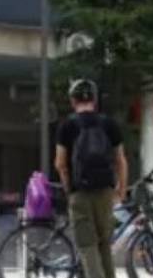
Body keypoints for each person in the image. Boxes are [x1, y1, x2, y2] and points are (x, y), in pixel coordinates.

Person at [54, 79, 127, 278]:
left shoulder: (67, 125)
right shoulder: (109, 124)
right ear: (94, 100)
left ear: (72, 100)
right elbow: (121, 160)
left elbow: (60, 163)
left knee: (88, 246)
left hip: (80, 193)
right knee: (104, 244)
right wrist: (121, 190)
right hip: (105, 192)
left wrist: (69, 190)